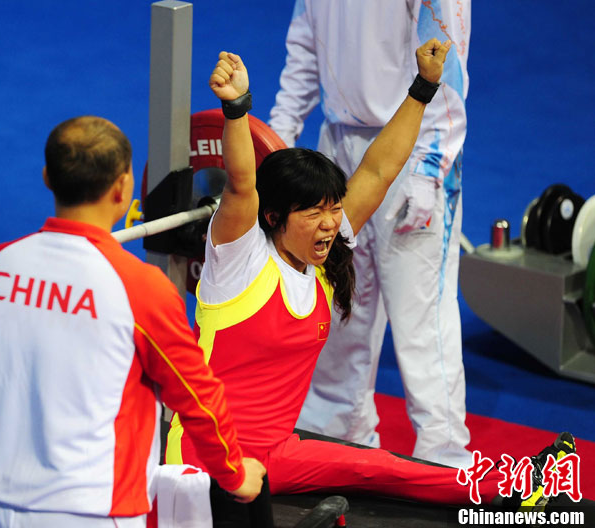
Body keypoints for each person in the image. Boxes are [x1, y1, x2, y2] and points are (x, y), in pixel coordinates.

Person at [166, 47, 577, 509]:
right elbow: (242, 183)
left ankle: (518, 488)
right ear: (274, 215)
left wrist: (423, 87)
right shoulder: (238, 260)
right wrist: (237, 108)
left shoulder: (323, 258)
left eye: (333, 209)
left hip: (275, 454)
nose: (329, 223)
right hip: (205, 459)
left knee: (381, 466)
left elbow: (379, 170)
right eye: (313, 212)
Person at [0, 116, 267, 526]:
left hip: (3, 501)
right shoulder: (139, 286)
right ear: (123, 187)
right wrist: (233, 473)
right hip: (95, 508)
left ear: (47, 177)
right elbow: (197, 397)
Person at [267, 0, 473, 467]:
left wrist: (428, 171)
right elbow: (305, 40)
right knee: (337, 310)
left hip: (411, 151)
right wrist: (279, 138)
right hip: (336, 146)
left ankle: (445, 459)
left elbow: (447, 66)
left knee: (421, 321)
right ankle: (335, 440)